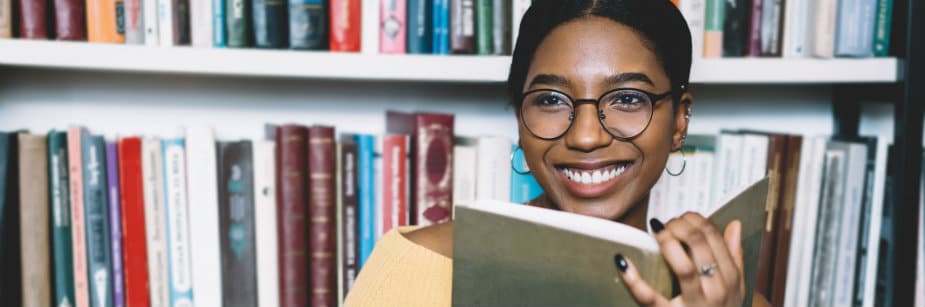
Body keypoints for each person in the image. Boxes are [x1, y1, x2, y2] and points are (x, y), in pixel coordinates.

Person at [345, 0, 769, 306]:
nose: (585, 137)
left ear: (679, 120)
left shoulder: (729, 297)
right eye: (550, 100)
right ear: (519, 118)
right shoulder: (418, 266)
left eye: (627, 99)